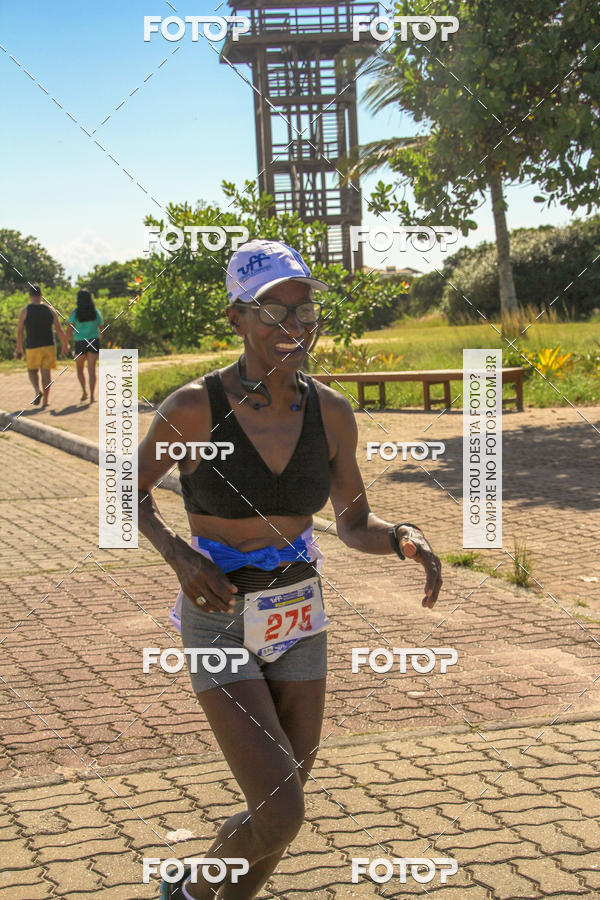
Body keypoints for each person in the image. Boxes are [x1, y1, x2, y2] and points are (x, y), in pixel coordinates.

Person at [137, 239, 443, 900]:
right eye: (275, 313)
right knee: (281, 808)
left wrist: (405, 538)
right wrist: (179, 555)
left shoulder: (331, 413)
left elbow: (355, 523)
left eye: (305, 313)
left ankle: (192, 888)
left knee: (285, 803)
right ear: (237, 319)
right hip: (220, 615)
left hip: (300, 615)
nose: (295, 328)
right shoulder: (193, 408)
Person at [15, 284, 68, 408]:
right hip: (49, 345)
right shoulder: (50, 310)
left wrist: (19, 347)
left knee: (32, 371)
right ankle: (46, 400)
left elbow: (19, 330)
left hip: (32, 346)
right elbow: (59, 329)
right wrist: (65, 344)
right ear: (41, 295)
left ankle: (37, 390)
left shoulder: (25, 310)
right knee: (46, 373)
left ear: (30, 296)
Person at [65, 289, 104, 403]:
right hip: (94, 341)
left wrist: (66, 342)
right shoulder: (95, 311)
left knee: (80, 370)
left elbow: (70, 327)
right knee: (92, 371)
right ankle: (92, 396)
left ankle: (84, 392)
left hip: (80, 342)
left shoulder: (75, 312)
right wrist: (99, 336)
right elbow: (101, 326)